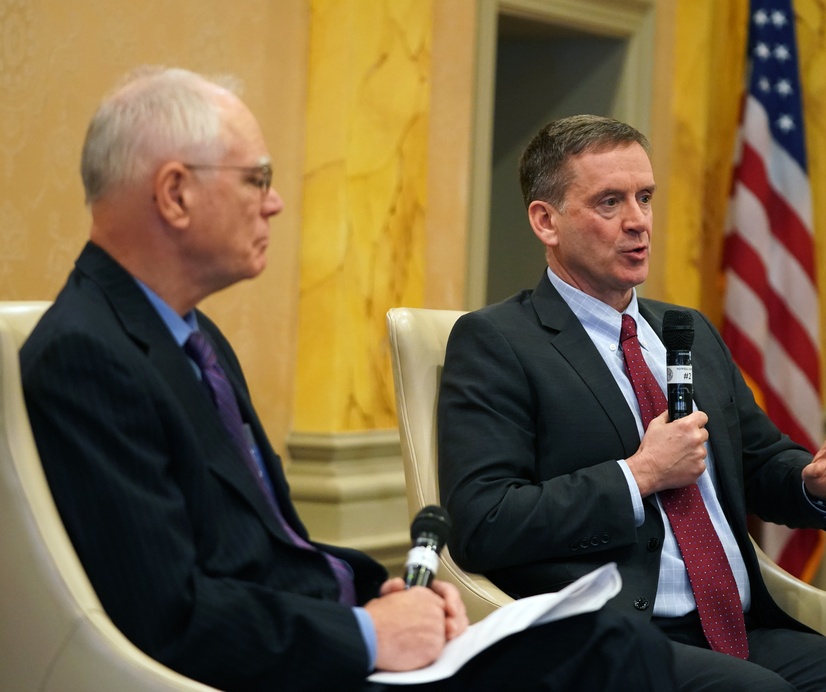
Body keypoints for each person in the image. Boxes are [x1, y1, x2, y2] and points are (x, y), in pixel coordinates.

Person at [20, 69, 680, 691]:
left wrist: (379, 591)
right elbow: (169, 616)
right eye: (256, 178)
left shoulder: (188, 332)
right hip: (266, 668)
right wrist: (366, 633)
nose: (274, 203)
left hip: (312, 631)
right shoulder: (88, 353)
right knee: (619, 657)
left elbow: (273, 543)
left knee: (616, 643)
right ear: (175, 193)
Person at [437, 114, 826, 690]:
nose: (639, 222)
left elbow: (761, 464)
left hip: (740, 628)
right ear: (546, 220)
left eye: (645, 198)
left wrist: (819, 484)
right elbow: (483, 521)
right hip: (610, 638)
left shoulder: (684, 330)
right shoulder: (497, 341)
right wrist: (637, 475)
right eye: (610, 203)